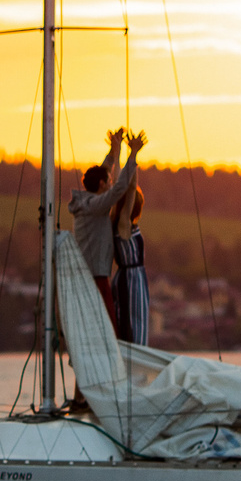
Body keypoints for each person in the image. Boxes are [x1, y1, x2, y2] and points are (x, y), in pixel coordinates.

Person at [67, 127, 143, 330]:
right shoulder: (95, 206)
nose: (111, 182)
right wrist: (133, 154)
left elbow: (103, 172)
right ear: (101, 185)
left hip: (92, 273)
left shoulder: (88, 201)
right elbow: (119, 189)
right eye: (108, 181)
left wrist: (113, 151)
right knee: (108, 328)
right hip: (96, 276)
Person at [110, 176, 149, 346]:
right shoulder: (123, 225)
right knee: (132, 324)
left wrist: (117, 151)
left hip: (136, 278)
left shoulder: (125, 224)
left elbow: (120, 181)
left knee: (137, 322)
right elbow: (131, 187)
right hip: (130, 281)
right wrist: (134, 155)